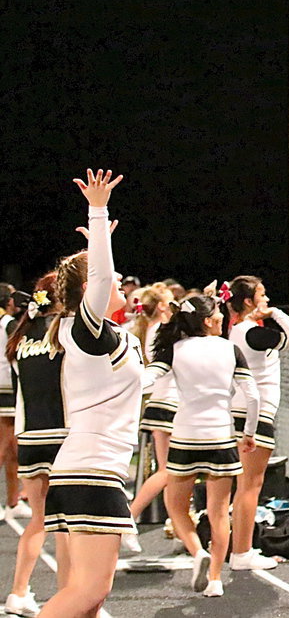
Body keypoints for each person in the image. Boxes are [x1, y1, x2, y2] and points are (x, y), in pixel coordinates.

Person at [38, 169, 146, 618]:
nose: (120, 284)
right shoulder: (85, 331)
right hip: (93, 469)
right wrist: (98, 212)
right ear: (90, 291)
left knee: (85, 597)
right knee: (88, 593)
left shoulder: (105, 339)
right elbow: (101, 281)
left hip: (84, 467)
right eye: (113, 278)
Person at [147, 295, 259, 597]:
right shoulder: (230, 349)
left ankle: (197, 552)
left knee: (176, 507)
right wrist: (248, 432)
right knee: (219, 512)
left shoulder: (175, 349)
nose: (223, 317)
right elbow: (253, 396)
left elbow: (146, 381)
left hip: (185, 437)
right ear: (208, 320)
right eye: (218, 314)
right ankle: (215, 580)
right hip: (221, 437)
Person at [224, 275, 289, 571]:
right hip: (254, 416)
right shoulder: (251, 333)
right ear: (248, 301)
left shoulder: (234, 331)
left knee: (237, 487)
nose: (267, 300)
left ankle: (231, 548)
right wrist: (275, 314)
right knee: (250, 486)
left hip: (234, 413)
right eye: (262, 295)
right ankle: (242, 552)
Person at [5, 275, 61, 617]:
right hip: (64, 437)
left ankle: (18, 592)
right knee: (71, 526)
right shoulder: (67, 333)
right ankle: (78, 599)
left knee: (39, 521)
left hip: (29, 438)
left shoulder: (21, 336)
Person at [124, 282, 177, 553]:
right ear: (161, 307)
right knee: (169, 471)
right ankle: (129, 517)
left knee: (175, 473)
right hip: (168, 403)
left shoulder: (150, 329)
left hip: (164, 401)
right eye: (170, 303)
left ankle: (178, 526)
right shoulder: (162, 330)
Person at [0, 284, 24, 520]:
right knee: (5, 447)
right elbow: (17, 353)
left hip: (5, 388)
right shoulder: (7, 324)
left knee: (12, 451)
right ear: (9, 301)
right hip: (6, 388)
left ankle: (13, 502)